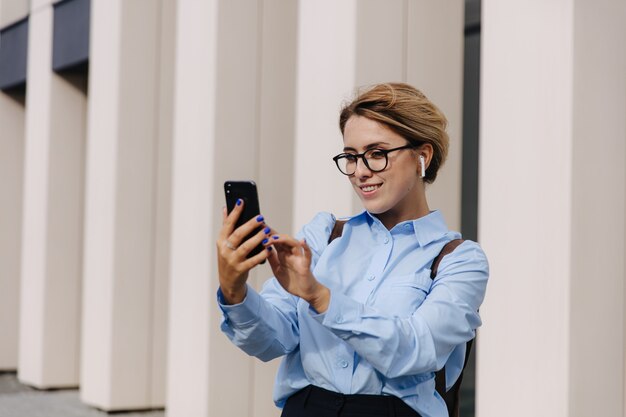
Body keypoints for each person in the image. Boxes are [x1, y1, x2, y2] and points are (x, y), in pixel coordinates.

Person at [216, 83, 489, 417]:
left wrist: (321, 298)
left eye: (377, 154)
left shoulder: (459, 260)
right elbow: (270, 342)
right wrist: (235, 290)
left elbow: (418, 350)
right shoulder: (323, 235)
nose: (360, 171)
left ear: (423, 156)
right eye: (351, 156)